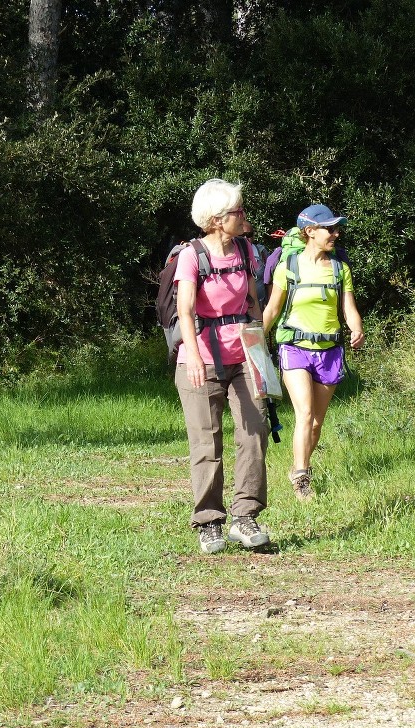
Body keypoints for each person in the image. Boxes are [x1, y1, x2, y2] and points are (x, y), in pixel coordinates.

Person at [175, 179, 271, 554]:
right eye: (237, 211)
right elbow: (185, 310)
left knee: (255, 432)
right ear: (216, 220)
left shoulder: (246, 250)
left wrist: (261, 350)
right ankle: (208, 522)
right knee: (205, 440)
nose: (243, 216)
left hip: (244, 356)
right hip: (200, 359)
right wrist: (195, 356)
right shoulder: (192, 255)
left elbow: (252, 303)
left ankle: (245, 517)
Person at [262, 204, 365, 500]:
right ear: (310, 232)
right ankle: (301, 477)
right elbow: (272, 309)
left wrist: (357, 329)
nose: (335, 234)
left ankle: (301, 465)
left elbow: (348, 308)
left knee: (317, 422)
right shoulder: (288, 266)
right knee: (304, 414)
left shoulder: (339, 267)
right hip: (294, 348)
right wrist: (255, 342)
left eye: (336, 228)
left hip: (330, 349)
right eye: (329, 229)